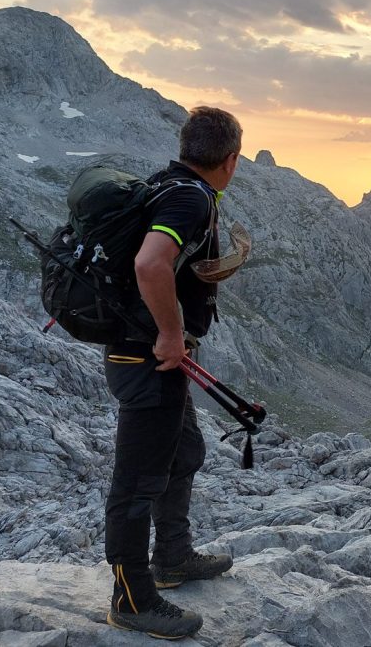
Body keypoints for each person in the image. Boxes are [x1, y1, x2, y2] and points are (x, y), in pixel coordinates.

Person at [103, 107, 242, 639]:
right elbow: (150, 264)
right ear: (229, 161)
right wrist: (169, 333)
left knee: (183, 452)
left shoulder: (166, 183)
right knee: (138, 481)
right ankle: (132, 597)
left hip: (148, 352)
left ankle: (174, 556)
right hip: (148, 355)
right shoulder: (189, 197)